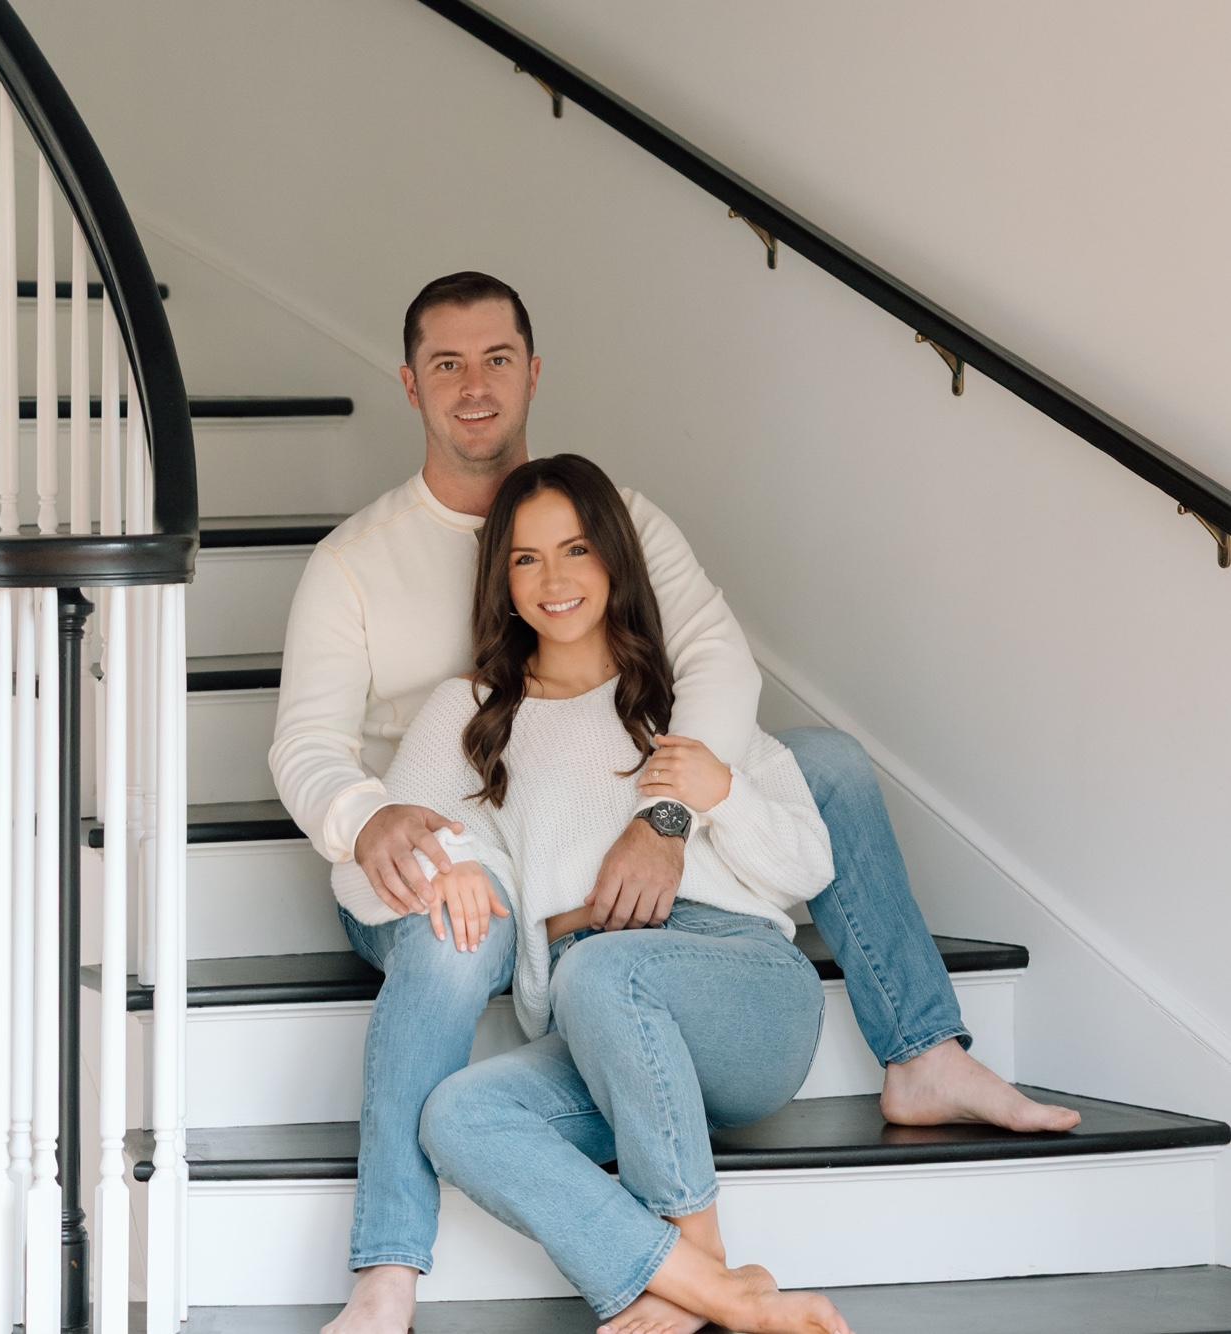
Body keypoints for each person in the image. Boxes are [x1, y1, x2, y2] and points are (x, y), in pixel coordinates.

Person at [268, 271, 1080, 1334]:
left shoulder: (628, 540)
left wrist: (675, 814)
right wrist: (384, 828)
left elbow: (718, 664)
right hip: (431, 846)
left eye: (496, 359)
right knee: (467, 962)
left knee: (825, 765)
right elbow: (311, 747)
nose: (474, 386)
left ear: (533, 373)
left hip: (672, 929)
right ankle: (398, 1266)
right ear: (410, 383)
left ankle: (917, 1054)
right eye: (447, 364)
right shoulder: (376, 591)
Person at [402, 452, 852, 1334]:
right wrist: (445, 864)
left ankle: (699, 1256)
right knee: (458, 1115)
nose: (554, 580)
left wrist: (722, 792)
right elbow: (392, 836)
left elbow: (808, 865)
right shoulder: (475, 713)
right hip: (599, 1030)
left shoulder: (684, 698)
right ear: (502, 581)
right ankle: (712, 1289)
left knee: (604, 971)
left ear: (614, 558)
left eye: (576, 550)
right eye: (526, 559)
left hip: (741, 992)